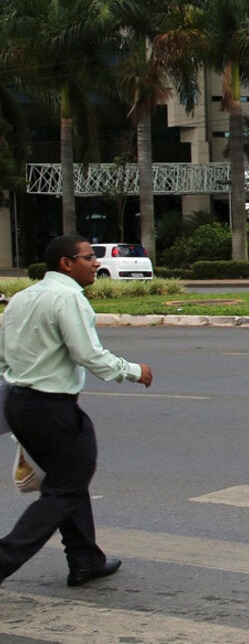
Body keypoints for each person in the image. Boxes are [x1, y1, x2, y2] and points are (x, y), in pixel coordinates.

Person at [0, 236, 152, 588]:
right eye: (89, 257)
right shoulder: (69, 298)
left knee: (67, 479)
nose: (96, 263)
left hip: (21, 403)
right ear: (67, 263)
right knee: (66, 487)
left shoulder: (21, 297)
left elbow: (5, 353)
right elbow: (89, 354)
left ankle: (85, 559)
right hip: (52, 408)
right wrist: (133, 371)